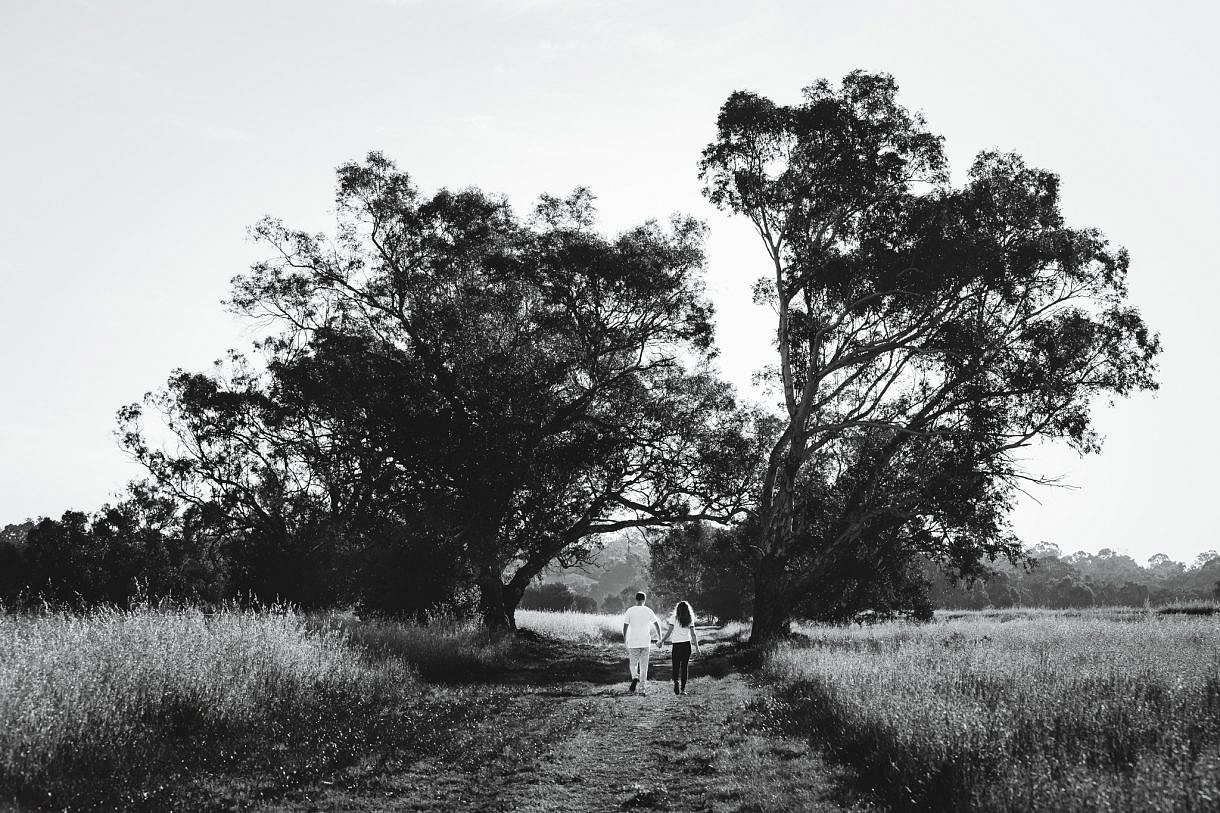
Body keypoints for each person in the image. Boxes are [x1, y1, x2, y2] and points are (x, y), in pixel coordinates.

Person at [621, 591, 662, 695]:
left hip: (633, 642)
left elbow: (625, 627)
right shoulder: (648, 610)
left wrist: (625, 639)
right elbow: (657, 625)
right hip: (645, 642)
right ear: (644, 600)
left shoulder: (630, 611)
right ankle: (642, 689)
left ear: (636, 599)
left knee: (633, 664)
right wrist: (660, 638)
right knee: (644, 666)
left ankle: (635, 677)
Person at [659, 600, 700, 695]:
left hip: (676, 645)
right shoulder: (690, 619)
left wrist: (662, 641)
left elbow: (669, 632)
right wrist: (697, 648)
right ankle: (683, 689)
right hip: (686, 645)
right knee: (684, 667)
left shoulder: (673, 618)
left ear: (677, 609)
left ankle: (676, 682)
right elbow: (693, 634)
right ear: (687, 610)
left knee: (676, 666)